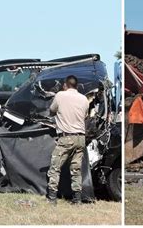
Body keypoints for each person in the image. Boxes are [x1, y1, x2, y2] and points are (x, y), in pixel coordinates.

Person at [47, 75, 89, 205]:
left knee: (55, 167)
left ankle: (52, 198)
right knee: (76, 170)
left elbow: (52, 110)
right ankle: (77, 199)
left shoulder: (60, 95)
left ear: (65, 85)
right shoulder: (84, 99)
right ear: (76, 85)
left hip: (66, 138)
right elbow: (85, 116)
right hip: (81, 138)